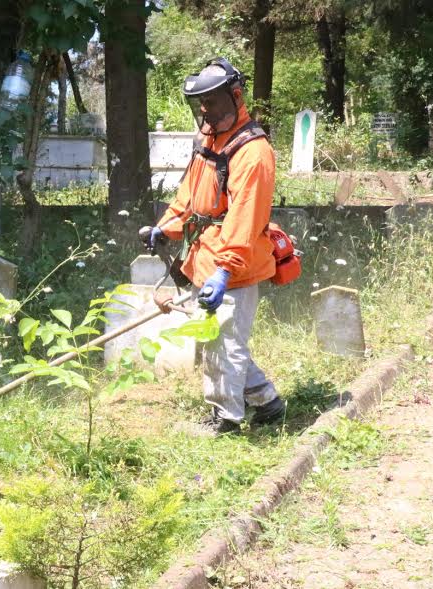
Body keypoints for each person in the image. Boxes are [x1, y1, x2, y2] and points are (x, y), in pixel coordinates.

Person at [141, 57, 285, 435]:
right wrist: (166, 227)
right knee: (223, 338)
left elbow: (245, 218)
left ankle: (226, 420)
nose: (205, 110)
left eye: (212, 101)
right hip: (206, 255)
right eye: (200, 103)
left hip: (234, 264)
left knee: (223, 344)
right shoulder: (210, 139)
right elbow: (190, 196)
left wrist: (225, 270)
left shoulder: (253, 152)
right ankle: (267, 402)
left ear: (235, 97)